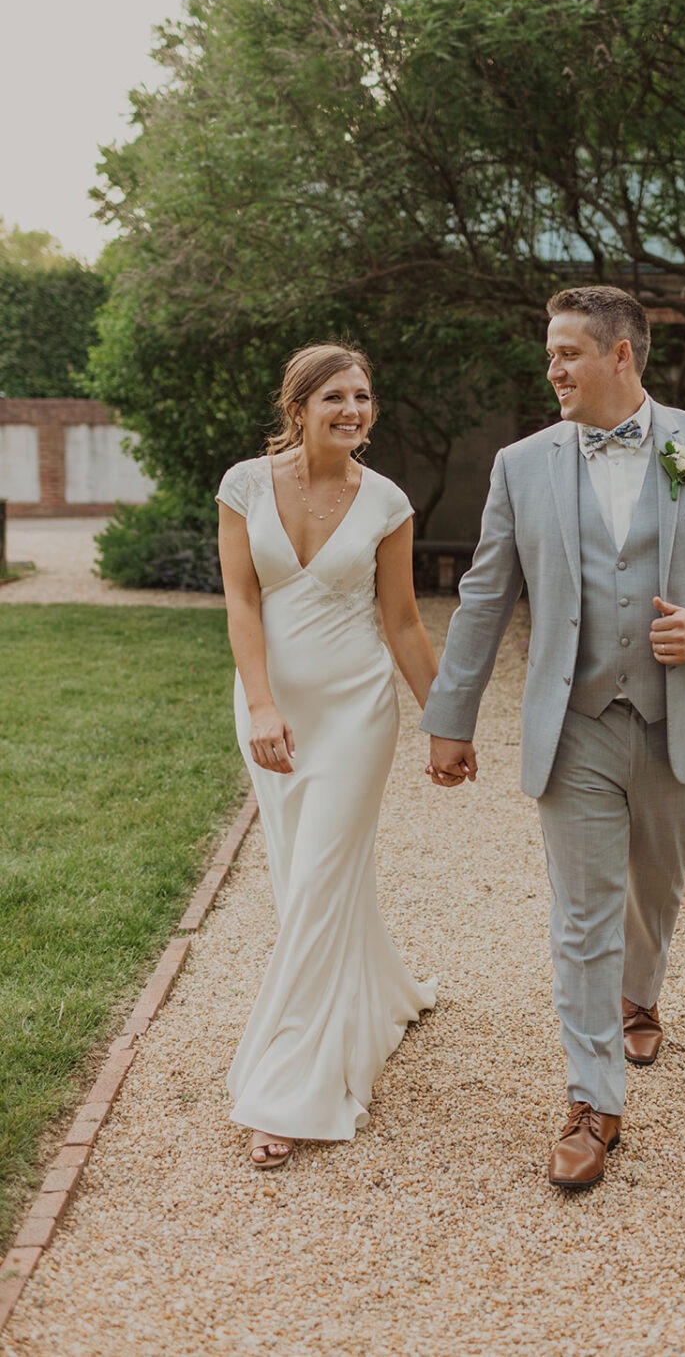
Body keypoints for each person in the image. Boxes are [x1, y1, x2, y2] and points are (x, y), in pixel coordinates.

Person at [422, 286, 685, 1189]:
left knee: (655, 889)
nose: (552, 371)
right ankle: (594, 1100)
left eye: (567, 354)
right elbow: (484, 595)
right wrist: (450, 718)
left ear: (622, 356)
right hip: (574, 722)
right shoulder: (522, 464)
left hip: (678, 720)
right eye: (549, 355)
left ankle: (642, 994)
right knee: (582, 916)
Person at [217, 342, 437, 1169]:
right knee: (300, 877)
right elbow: (242, 600)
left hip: (354, 712)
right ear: (299, 407)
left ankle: (288, 1088)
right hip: (270, 708)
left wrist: (445, 722)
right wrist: (263, 705)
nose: (353, 410)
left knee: (316, 879)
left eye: (364, 397)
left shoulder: (386, 502)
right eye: (336, 397)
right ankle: (380, 988)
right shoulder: (245, 485)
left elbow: (405, 623)